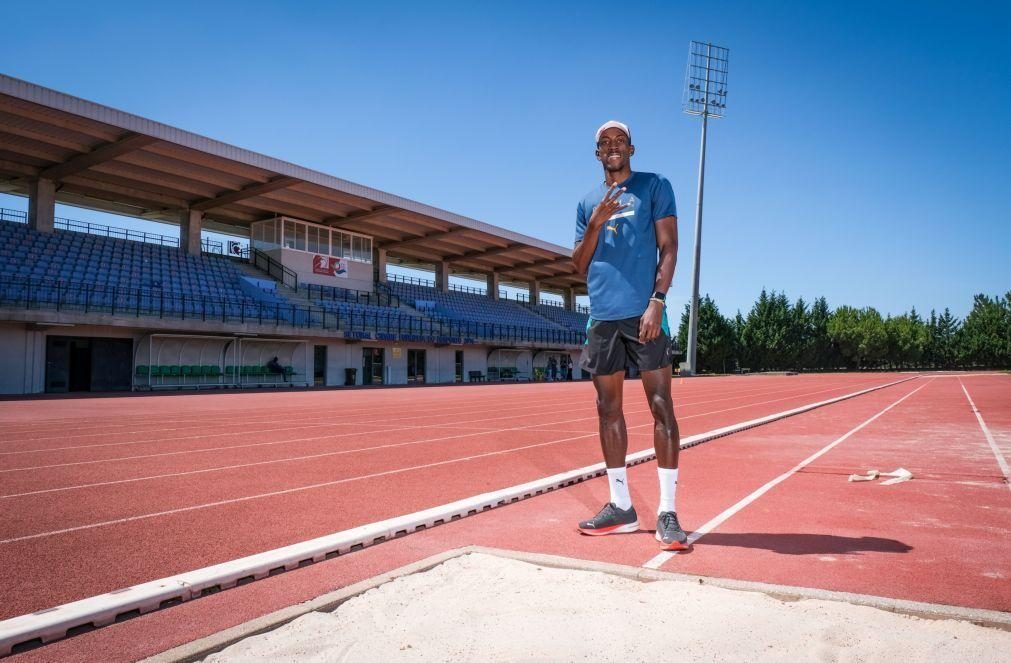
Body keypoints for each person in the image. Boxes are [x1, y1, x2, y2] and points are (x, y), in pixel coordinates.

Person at [572, 120, 687, 550]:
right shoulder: (587, 202)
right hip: (601, 317)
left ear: (632, 148)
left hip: (644, 312)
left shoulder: (655, 186)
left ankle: (668, 512)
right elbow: (578, 264)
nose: (613, 147)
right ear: (597, 152)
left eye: (620, 140)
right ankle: (621, 506)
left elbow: (670, 246)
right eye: (605, 142)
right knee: (608, 409)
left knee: (661, 406)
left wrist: (657, 300)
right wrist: (596, 225)